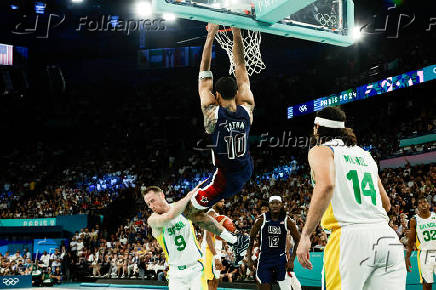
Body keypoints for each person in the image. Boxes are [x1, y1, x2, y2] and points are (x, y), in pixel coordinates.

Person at [296, 106, 406, 289]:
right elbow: (386, 204)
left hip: (350, 239)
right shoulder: (365, 155)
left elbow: (327, 185)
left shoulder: (321, 150)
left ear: (317, 127)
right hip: (386, 237)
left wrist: (306, 235)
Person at [182, 22, 254, 265]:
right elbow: (241, 66)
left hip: (225, 178)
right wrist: (236, 32)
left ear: (218, 95)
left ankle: (235, 240)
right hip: (245, 169)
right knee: (194, 195)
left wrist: (211, 33)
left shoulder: (212, 113)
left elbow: (204, 72)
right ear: (237, 91)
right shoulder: (247, 107)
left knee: (190, 213)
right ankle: (231, 235)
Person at [144, 185, 207, 289]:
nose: (151, 206)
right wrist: (187, 198)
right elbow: (169, 216)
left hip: (196, 268)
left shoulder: (183, 208)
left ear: (162, 195)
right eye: (148, 204)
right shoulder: (153, 220)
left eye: (152, 201)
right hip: (176, 274)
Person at [247, 196, 301, 289]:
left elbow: (298, 240)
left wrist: (292, 260)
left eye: (277, 203)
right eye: (272, 203)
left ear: (281, 205)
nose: (275, 205)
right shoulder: (261, 219)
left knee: (286, 287)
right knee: (265, 287)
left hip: (280, 259)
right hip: (265, 259)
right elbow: (251, 239)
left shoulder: (286, 220)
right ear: (269, 205)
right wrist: (249, 259)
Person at [406, 196, 436, 290]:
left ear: (429, 204)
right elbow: (411, 241)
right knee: (427, 285)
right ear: (417, 206)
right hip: (424, 254)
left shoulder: (435, 216)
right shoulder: (414, 220)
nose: (423, 204)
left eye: (425, 202)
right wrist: (407, 257)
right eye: (420, 203)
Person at [201, 199, 226, 290]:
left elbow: (217, 235)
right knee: (211, 280)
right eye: (221, 201)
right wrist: (215, 256)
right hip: (210, 252)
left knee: (215, 280)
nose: (223, 203)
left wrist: (225, 245)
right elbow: (208, 237)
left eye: (223, 201)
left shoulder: (218, 216)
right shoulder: (211, 213)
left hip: (216, 251)